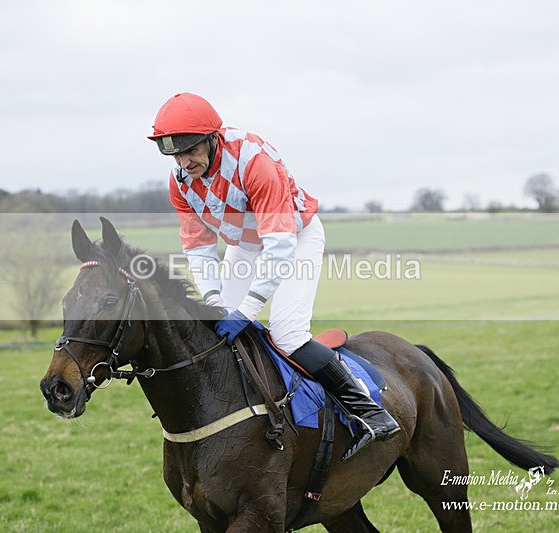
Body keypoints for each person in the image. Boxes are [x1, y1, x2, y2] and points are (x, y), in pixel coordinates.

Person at [148, 92, 399, 461]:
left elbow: (279, 249)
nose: (184, 162)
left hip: (293, 238)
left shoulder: (254, 163)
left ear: (212, 139)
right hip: (247, 246)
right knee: (212, 330)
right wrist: (216, 302)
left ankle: (369, 413)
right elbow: (199, 248)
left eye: (190, 150)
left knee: (287, 333)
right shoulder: (181, 181)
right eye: (175, 154)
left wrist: (247, 309)